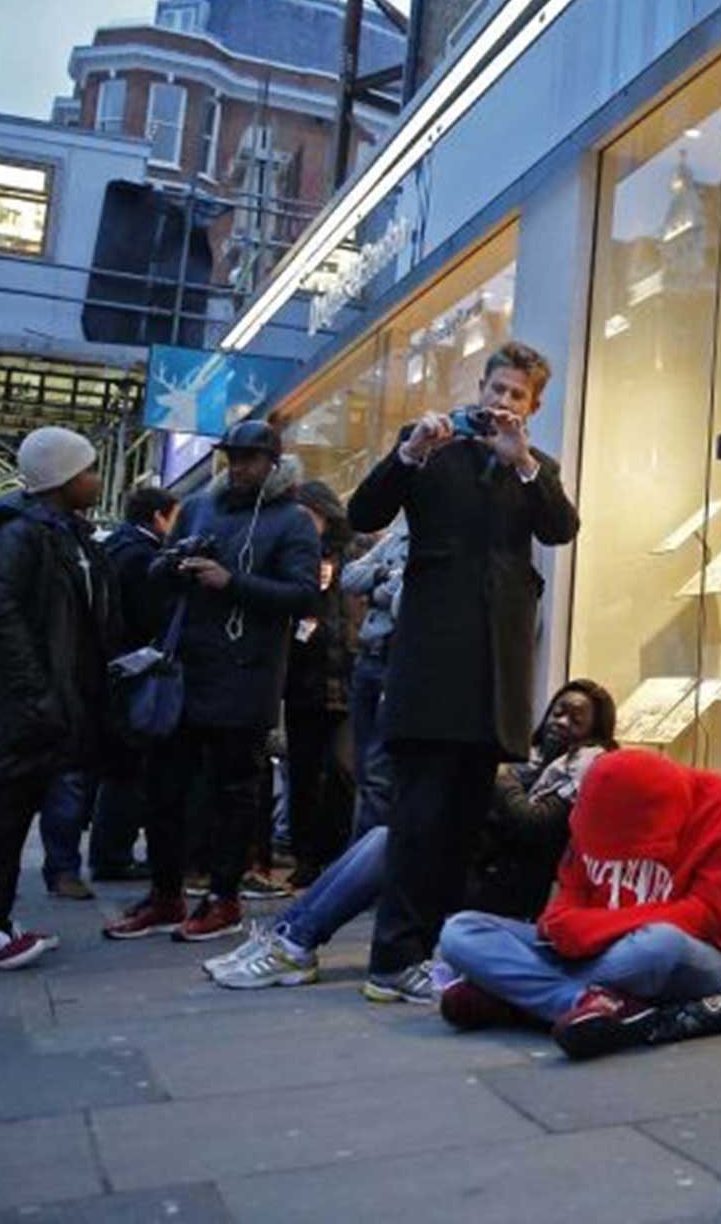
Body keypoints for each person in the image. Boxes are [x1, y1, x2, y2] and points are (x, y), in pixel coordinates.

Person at [347, 340, 580, 1005]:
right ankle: (393, 958)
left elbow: (561, 529)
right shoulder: (432, 446)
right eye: (496, 389)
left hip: (496, 672)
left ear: (533, 406)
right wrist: (411, 453)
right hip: (432, 663)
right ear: (479, 386)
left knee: (463, 824)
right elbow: (364, 514)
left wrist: (525, 465)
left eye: (516, 396)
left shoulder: (535, 468)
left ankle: (440, 952)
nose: (501, 404)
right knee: (418, 818)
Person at [208, 680, 616, 989]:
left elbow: (535, 826)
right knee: (387, 836)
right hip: (478, 863)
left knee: (391, 845)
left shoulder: (581, 769)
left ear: (593, 734)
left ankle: (295, 945)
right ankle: (288, 934)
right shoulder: (536, 761)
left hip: (502, 886)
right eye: (557, 712)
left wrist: (498, 776)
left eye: (574, 719)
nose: (560, 723)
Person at [104, 421, 321, 945]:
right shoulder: (201, 507)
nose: (239, 467)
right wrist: (174, 566)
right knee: (165, 789)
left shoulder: (292, 521)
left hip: (246, 676)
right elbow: (156, 568)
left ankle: (222, 896)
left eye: (249, 458)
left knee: (232, 792)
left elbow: (304, 595)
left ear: (273, 462)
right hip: (187, 669)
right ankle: (165, 893)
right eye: (233, 457)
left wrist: (233, 582)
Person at [438, 747, 721, 1061]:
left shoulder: (720, 799)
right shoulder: (596, 806)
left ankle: (517, 996)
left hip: (693, 952)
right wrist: (572, 930)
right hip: (596, 951)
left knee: (659, 944)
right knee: (460, 931)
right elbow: (563, 908)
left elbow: (702, 915)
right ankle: (587, 1002)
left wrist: (586, 931)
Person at [0, 429, 116, 970]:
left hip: (39, 707)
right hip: (13, 710)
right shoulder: (20, 537)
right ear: (62, 479)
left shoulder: (62, 535)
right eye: (87, 470)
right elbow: (0, 618)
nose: (95, 478)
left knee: (12, 820)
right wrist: (37, 694)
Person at [87, 486, 181, 884]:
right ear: (159, 517)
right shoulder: (142, 556)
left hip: (112, 667)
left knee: (120, 769)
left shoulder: (113, 546)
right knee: (129, 769)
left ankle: (108, 852)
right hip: (133, 669)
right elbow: (147, 615)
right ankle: (113, 856)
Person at [283, 481, 356, 886]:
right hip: (304, 677)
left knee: (344, 769)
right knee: (304, 772)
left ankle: (335, 852)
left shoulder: (355, 551)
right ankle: (306, 857)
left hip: (347, 674)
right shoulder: (293, 554)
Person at [339, 520, 407, 835]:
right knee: (363, 769)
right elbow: (350, 576)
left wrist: (378, 587)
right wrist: (382, 575)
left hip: (399, 657)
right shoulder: (396, 536)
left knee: (380, 772)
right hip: (369, 656)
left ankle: (367, 868)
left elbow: (400, 600)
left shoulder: (439, 537)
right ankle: (361, 861)